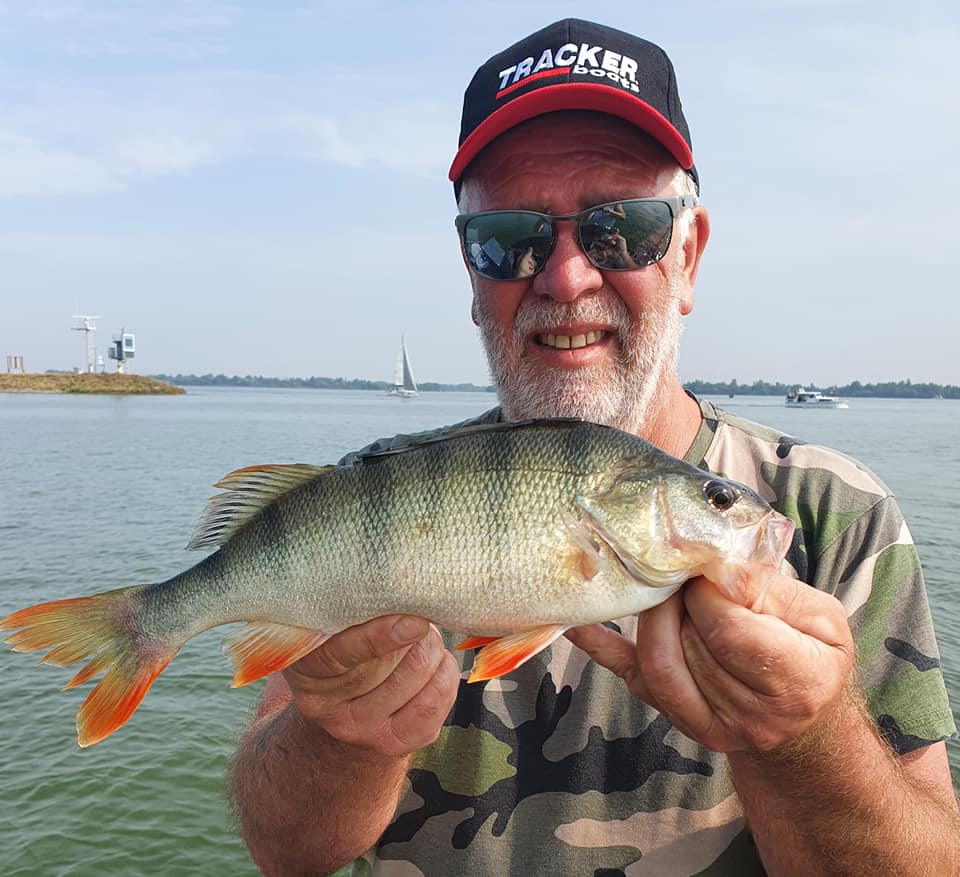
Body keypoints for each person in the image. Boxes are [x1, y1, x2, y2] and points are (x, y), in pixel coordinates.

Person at [229, 19, 959, 875]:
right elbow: (283, 851)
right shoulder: (379, 492)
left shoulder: (836, 517)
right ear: (472, 276)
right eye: (510, 239)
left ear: (688, 258)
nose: (566, 276)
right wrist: (338, 738)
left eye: (623, 228)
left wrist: (807, 742)